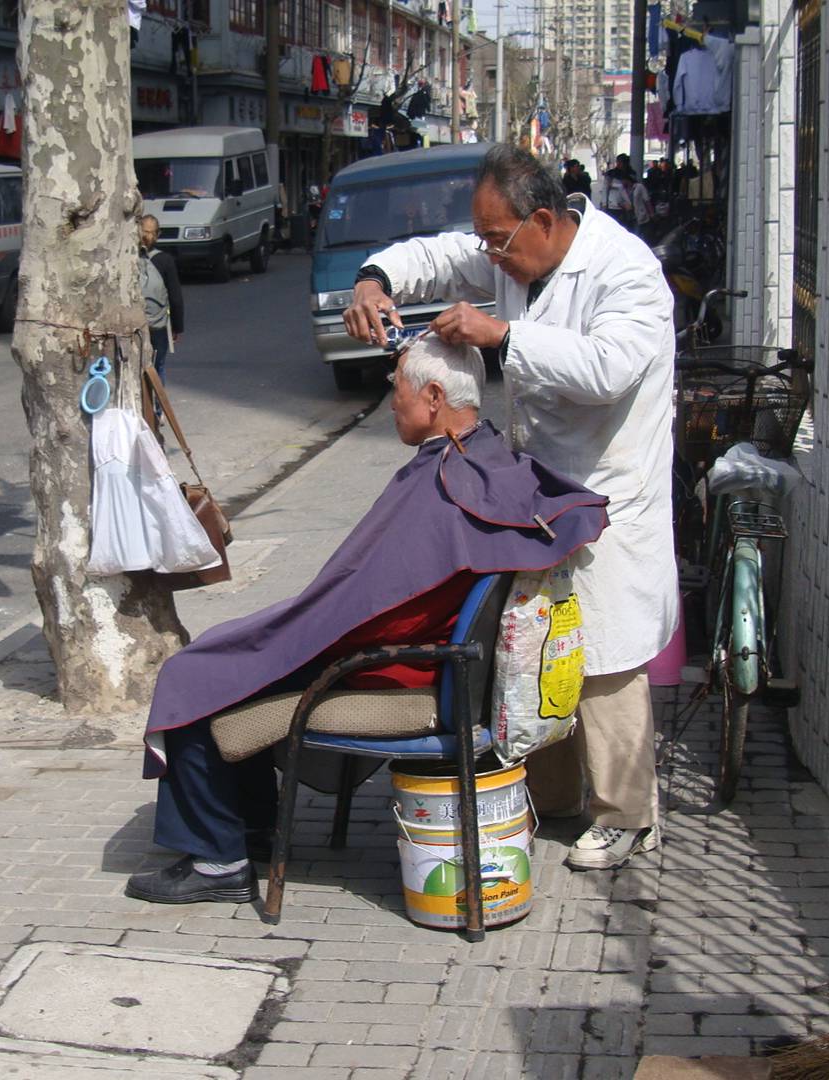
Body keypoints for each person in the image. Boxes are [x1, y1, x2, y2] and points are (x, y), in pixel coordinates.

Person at [126, 336, 608, 904]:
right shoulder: (484, 458)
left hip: (403, 665)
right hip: (433, 657)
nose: (391, 400)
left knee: (196, 674)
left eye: (396, 387)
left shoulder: (445, 481)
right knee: (230, 655)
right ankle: (247, 828)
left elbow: (384, 609)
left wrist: (303, 637)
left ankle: (217, 860)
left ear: (432, 396)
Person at [341, 144, 677, 871]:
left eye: (498, 241)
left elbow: (608, 369)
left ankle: (626, 814)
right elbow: (436, 255)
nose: (488, 256)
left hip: (607, 491)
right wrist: (374, 279)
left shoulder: (626, 273)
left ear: (545, 220)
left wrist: (502, 336)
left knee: (603, 656)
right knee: (534, 643)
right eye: (485, 238)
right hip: (536, 490)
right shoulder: (514, 248)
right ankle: (551, 796)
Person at [138, 214, 184, 380]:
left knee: (135, 366)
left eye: (148, 232)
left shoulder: (128, 257)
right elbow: (175, 298)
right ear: (158, 235)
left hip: (135, 323)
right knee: (158, 365)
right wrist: (177, 327)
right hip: (158, 324)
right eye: (146, 232)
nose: (147, 236)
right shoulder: (165, 260)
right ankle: (157, 405)